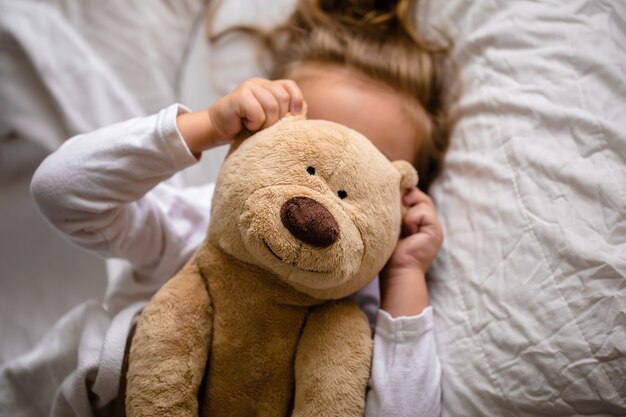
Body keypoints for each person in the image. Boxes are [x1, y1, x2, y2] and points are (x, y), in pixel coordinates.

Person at [1, 0, 451, 416]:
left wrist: (406, 273)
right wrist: (202, 127)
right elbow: (62, 194)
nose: (320, 200)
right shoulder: (199, 225)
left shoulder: (366, 297)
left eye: (365, 169)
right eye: (312, 149)